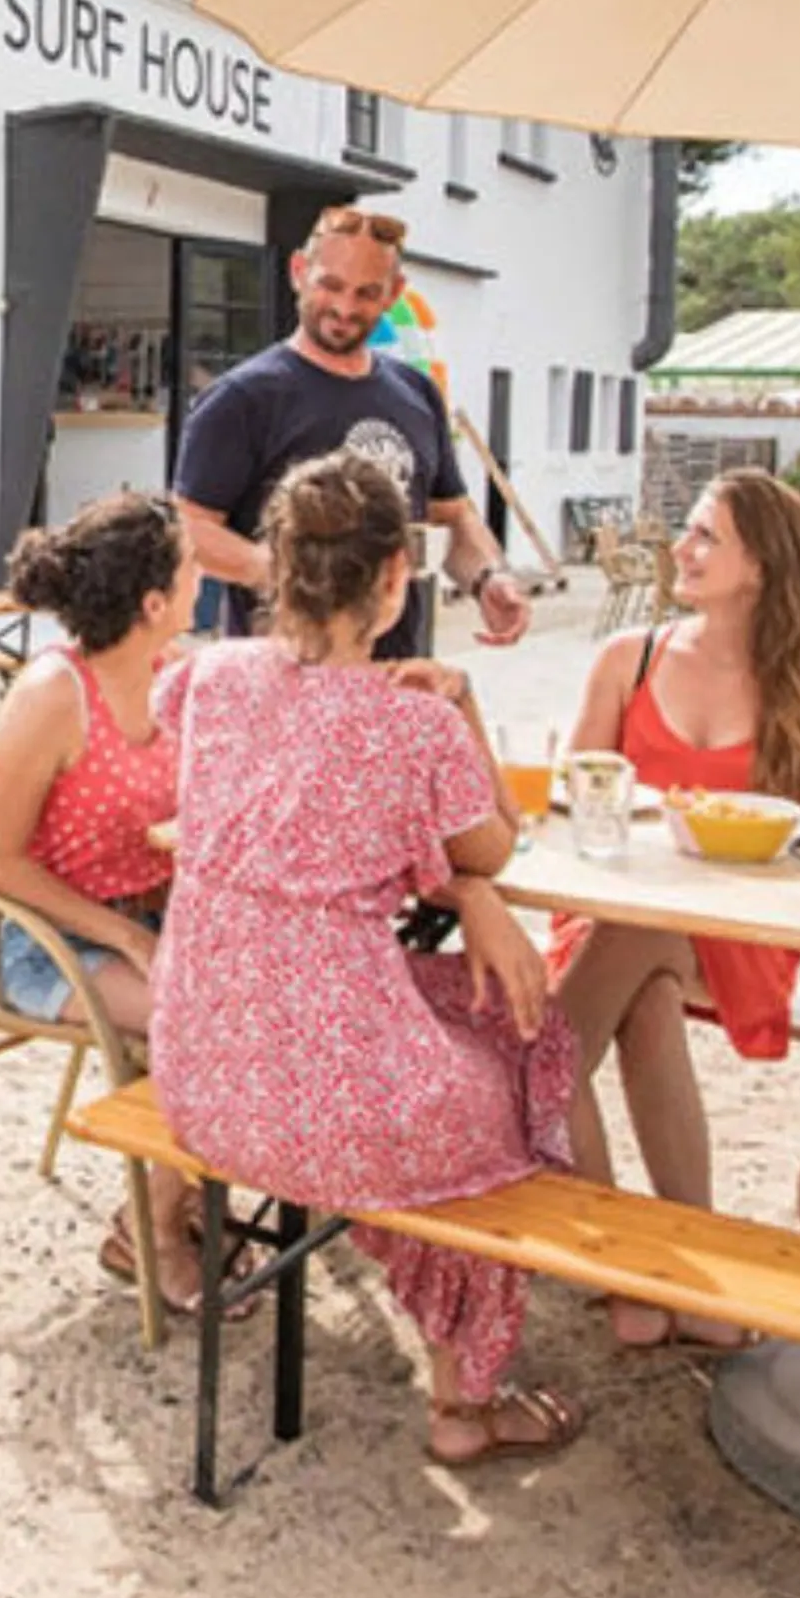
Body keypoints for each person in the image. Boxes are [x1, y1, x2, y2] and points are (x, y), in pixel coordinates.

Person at [150, 446, 586, 1464]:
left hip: (205, 1077)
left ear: (278, 564)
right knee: (521, 1047)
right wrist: (462, 707)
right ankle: (462, 1402)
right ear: (397, 575)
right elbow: (493, 843)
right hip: (330, 1107)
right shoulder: (416, 728)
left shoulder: (208, 681)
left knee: (453, 1012)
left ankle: (464, 1372)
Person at [549, 470, 800, 1346]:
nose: (680, 551)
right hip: (619, 910)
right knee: (642, 990)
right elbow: (576, 802)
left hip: (742, 925)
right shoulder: (631, 659)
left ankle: (615, 1257)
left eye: (704, 537)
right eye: (687, 533)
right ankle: (674, 1272)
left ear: (760, 565)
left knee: (554, 1037)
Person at [0, 491, 206, 1305]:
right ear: (152, 603)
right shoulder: (52, 693)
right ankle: (149, 1233)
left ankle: (191, 1191)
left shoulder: (177, 677)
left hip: (149, 919)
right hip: (49, 939)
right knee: (201, 1021)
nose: (201, 578)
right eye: (189, 570)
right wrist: (129, 934)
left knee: (263, 993)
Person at [172, 206, 529, 660]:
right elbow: (189, 528)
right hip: (282, 679)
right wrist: (287, 574)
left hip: (398, 675)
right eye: (330, 285)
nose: (344, 308)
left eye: (366, 293)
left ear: (394, 293)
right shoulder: (243, 398)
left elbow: (453, 515)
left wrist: (488, 578)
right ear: (299, 272)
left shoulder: (416, 392)